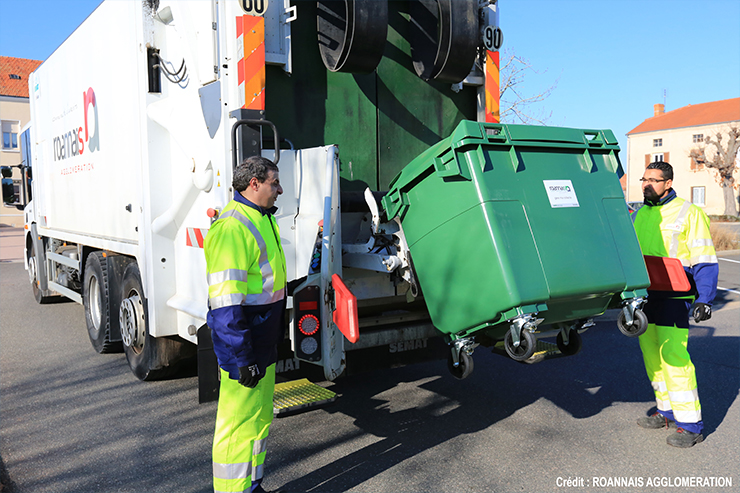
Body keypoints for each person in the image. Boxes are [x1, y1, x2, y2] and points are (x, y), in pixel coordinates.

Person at [204, 156, 286, 492]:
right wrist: (242, 357)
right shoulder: (233, 227)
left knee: (257, 420)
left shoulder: (261, 217)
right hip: (245, 344)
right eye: (274, 182)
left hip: (260, 340)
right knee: (236, 426)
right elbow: (225, 304)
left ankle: (251, 485)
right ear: (254, 184)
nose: (279, 189)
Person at [632, 161, 718, 448]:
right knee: (652, 356)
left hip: (674, 297)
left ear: (668, 183)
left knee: (673, 358)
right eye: (644, 179)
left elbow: (704, 258)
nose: (646, 184)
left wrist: (704, 299)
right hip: (646, 296)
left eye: (653, 180)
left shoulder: (689, 212)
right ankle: (665, 411)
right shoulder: (641, 215)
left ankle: (691, 425)